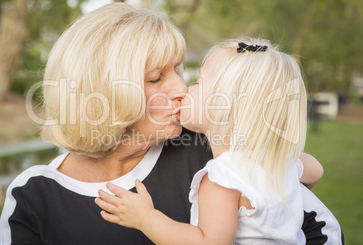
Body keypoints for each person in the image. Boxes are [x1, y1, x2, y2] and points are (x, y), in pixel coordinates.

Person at [0, 3, 338, 244]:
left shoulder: (215, 149)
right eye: (156, 78)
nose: (180, 88)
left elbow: (318, 231)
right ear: (104, 93)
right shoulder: (33, 196)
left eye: (178, 69)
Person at [95, 38, 344, 244]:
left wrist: (145, 218)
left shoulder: (223, 178)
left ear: (224, 107)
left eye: (198, 83)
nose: (185, 89)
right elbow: (316, 172)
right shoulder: (277, 163)